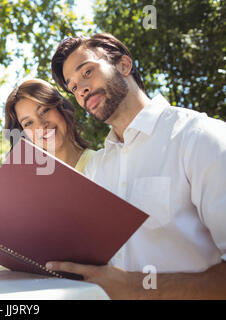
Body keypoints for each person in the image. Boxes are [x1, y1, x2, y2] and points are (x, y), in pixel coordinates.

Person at [44, 33, 226, 299]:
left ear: (124, 65)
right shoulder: (97, 169)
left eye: (87, 72)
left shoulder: (200, 137)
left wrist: (137, 290)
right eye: (73, 87)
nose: (80, 89)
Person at [4, 78, 95, 173]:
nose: (41, 125)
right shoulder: (30, 185)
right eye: (28, 123)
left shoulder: (103, 165)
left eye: (44, 110)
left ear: (60, 107)